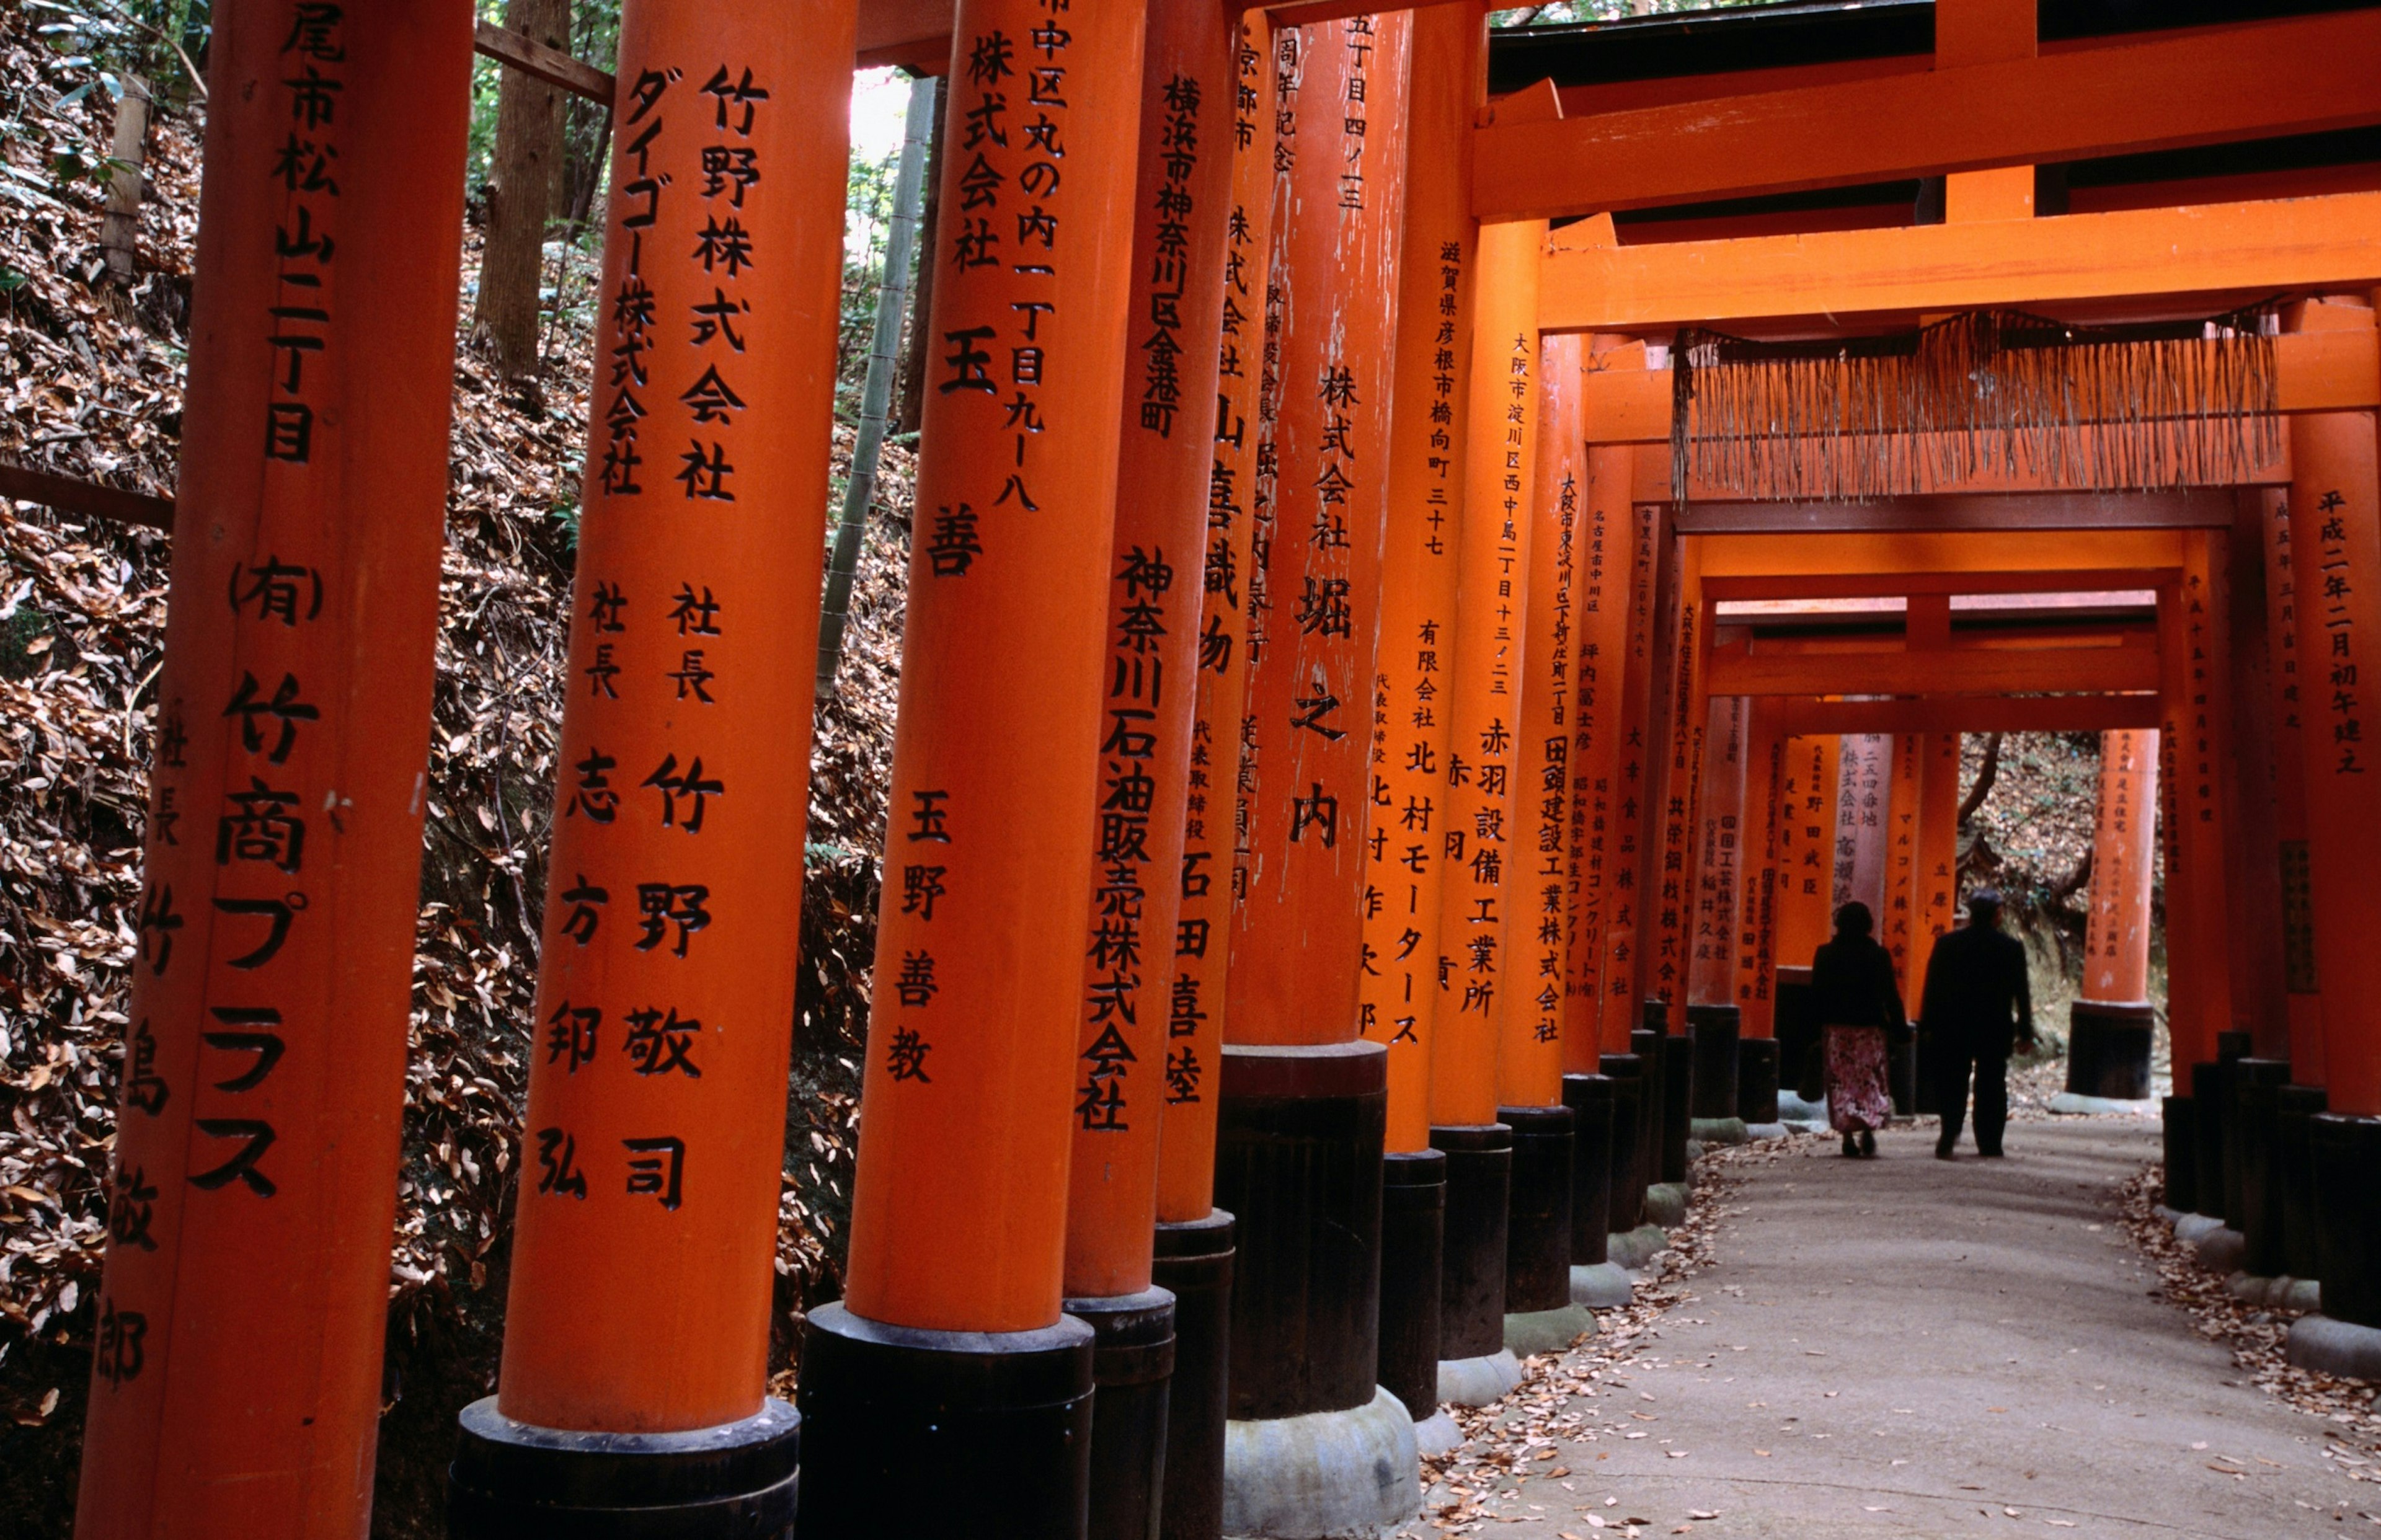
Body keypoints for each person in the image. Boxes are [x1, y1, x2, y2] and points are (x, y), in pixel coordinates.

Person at [1919, 887, 2036, 1159]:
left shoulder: (1947, 944)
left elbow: (1932, 987)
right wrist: (2026, 1031)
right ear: (1997, 914)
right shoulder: (2010, 948)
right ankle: (1990, 1142)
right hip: (1993, 1027)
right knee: (1992, 1084)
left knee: (1953, 1081)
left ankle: (1949, 1134)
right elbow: (2022, 994)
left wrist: (1927, 1025)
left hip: (1953, 1025)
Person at [1809, 901, 1905, 1158]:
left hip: (1837, 1030)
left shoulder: (1825, 954)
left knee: (1841, 1082)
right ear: (1868, 926)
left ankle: (1847, 1135)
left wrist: (1811, 1029)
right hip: (1869, 1030)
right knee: (1868, 1080)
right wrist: (1901, 1028)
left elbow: (1816, 994)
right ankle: (1868, 1127)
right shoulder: (1879, 955)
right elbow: (1891, 996)